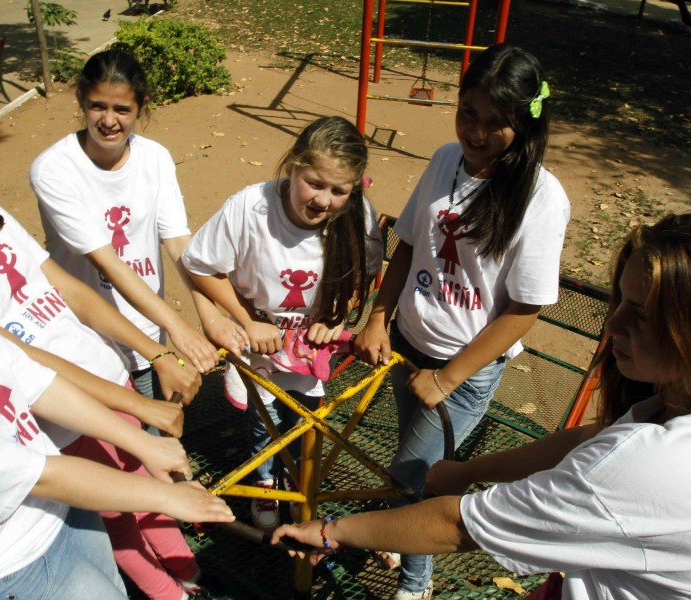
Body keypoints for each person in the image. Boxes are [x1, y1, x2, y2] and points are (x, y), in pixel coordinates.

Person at [0, 97, 217, 600]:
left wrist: (150, 359)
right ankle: (170, 591)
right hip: (59, 427)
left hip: (100, 384)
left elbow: (70, 293)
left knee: (146, 487)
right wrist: (135, 405)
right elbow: (23, 364)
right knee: (120, 514)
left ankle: (189, 574)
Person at [274, 212, 691, 600]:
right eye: (619, 301)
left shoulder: (645, 465)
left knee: (409, 473)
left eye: (642, 314)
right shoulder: (667, 404)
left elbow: (456, 525)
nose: (613, 323)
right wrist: (471, 471)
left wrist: (332, 532)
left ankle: (416, 583)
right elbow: (591, 436)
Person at [353, 44, 570, 599]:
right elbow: (409, 244)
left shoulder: (542, 199)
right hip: (406, 343)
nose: (476, 132)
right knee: (409, 455)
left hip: (459, 371)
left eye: (496, 123)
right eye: (467, 113)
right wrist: (378, 317)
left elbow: (524, 309)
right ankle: (397, 533)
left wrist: (448, 377)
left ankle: (414, 581)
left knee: (417, 478)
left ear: (525, 125)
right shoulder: (446, 158)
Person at [182, 116, 383, 529]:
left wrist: (338, 312)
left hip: (309, 345)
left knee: (309, 414)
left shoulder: (356, 217)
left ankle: (298, 476)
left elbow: (366, 272)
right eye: (315, 183)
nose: (324, 200)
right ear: (292, 165)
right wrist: (248, 319)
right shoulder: (251, 207)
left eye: (338, 190)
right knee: (266, 417)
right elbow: (200, 265)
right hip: (263, 342)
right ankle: (267, 480)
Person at [30, 49, 233, 400]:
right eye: (98, 106)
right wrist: (177, 326)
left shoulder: (154, 158)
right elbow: (106, 260)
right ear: (81, 99)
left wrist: (208, 312)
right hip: (86, 333)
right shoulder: (54, 169)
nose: (109, 121)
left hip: (145, 327)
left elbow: (178, 242)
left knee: (155, 426)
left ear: (142, 106)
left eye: (122, 109)